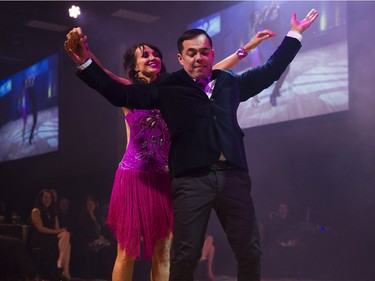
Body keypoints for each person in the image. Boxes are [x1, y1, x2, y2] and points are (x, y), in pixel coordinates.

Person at [65, 9, 317, 281]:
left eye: (205, 52)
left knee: (249, 251)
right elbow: (119, 91)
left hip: (232, 176)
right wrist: (85, 62)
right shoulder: (169, 88)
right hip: (187, 179)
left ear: (211, 54)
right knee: (181, 256)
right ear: (181, 58)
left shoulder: (228, 83)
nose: (199, 57)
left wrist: (295, 34)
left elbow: (270, 71)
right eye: (192, 53)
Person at [30, 189, 71, 280]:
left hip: (50, 238)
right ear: (41, 198)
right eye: (45, 197)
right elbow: (40, 228)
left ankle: (65, 272)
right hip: (40, 239)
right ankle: (61, 266)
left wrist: (59, 229)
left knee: (67, 241)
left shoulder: (52, 212)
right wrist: (58, 231)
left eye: (49, 198)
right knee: (66, 236)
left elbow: (57, 228)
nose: (47, 199)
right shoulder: (36, 211)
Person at [76, 195, 116, 280]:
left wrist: (102, 236)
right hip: (90, 241)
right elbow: (85, 231)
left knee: (112, 246)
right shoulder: (83, 217)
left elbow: (101, 230)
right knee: (109, 247)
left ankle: (112, 274)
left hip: (99, 240)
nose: (90, 206)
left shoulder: (97, 217)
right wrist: (98, 236)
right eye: (88, 204)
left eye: (92, 204)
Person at [262, 202, 302, 278]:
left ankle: (296, 273)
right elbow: (270, 234)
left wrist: (295, 241)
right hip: (277, 243)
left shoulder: (293, 220)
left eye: (284, 208)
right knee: (270, 249)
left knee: (302, 248)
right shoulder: (273, 220)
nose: (283, 210)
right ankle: (274, 273)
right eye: (281, 208)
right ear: (278, 210)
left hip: (291, 243)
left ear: (288, 210)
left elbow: (298, 233)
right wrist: (277, 241)